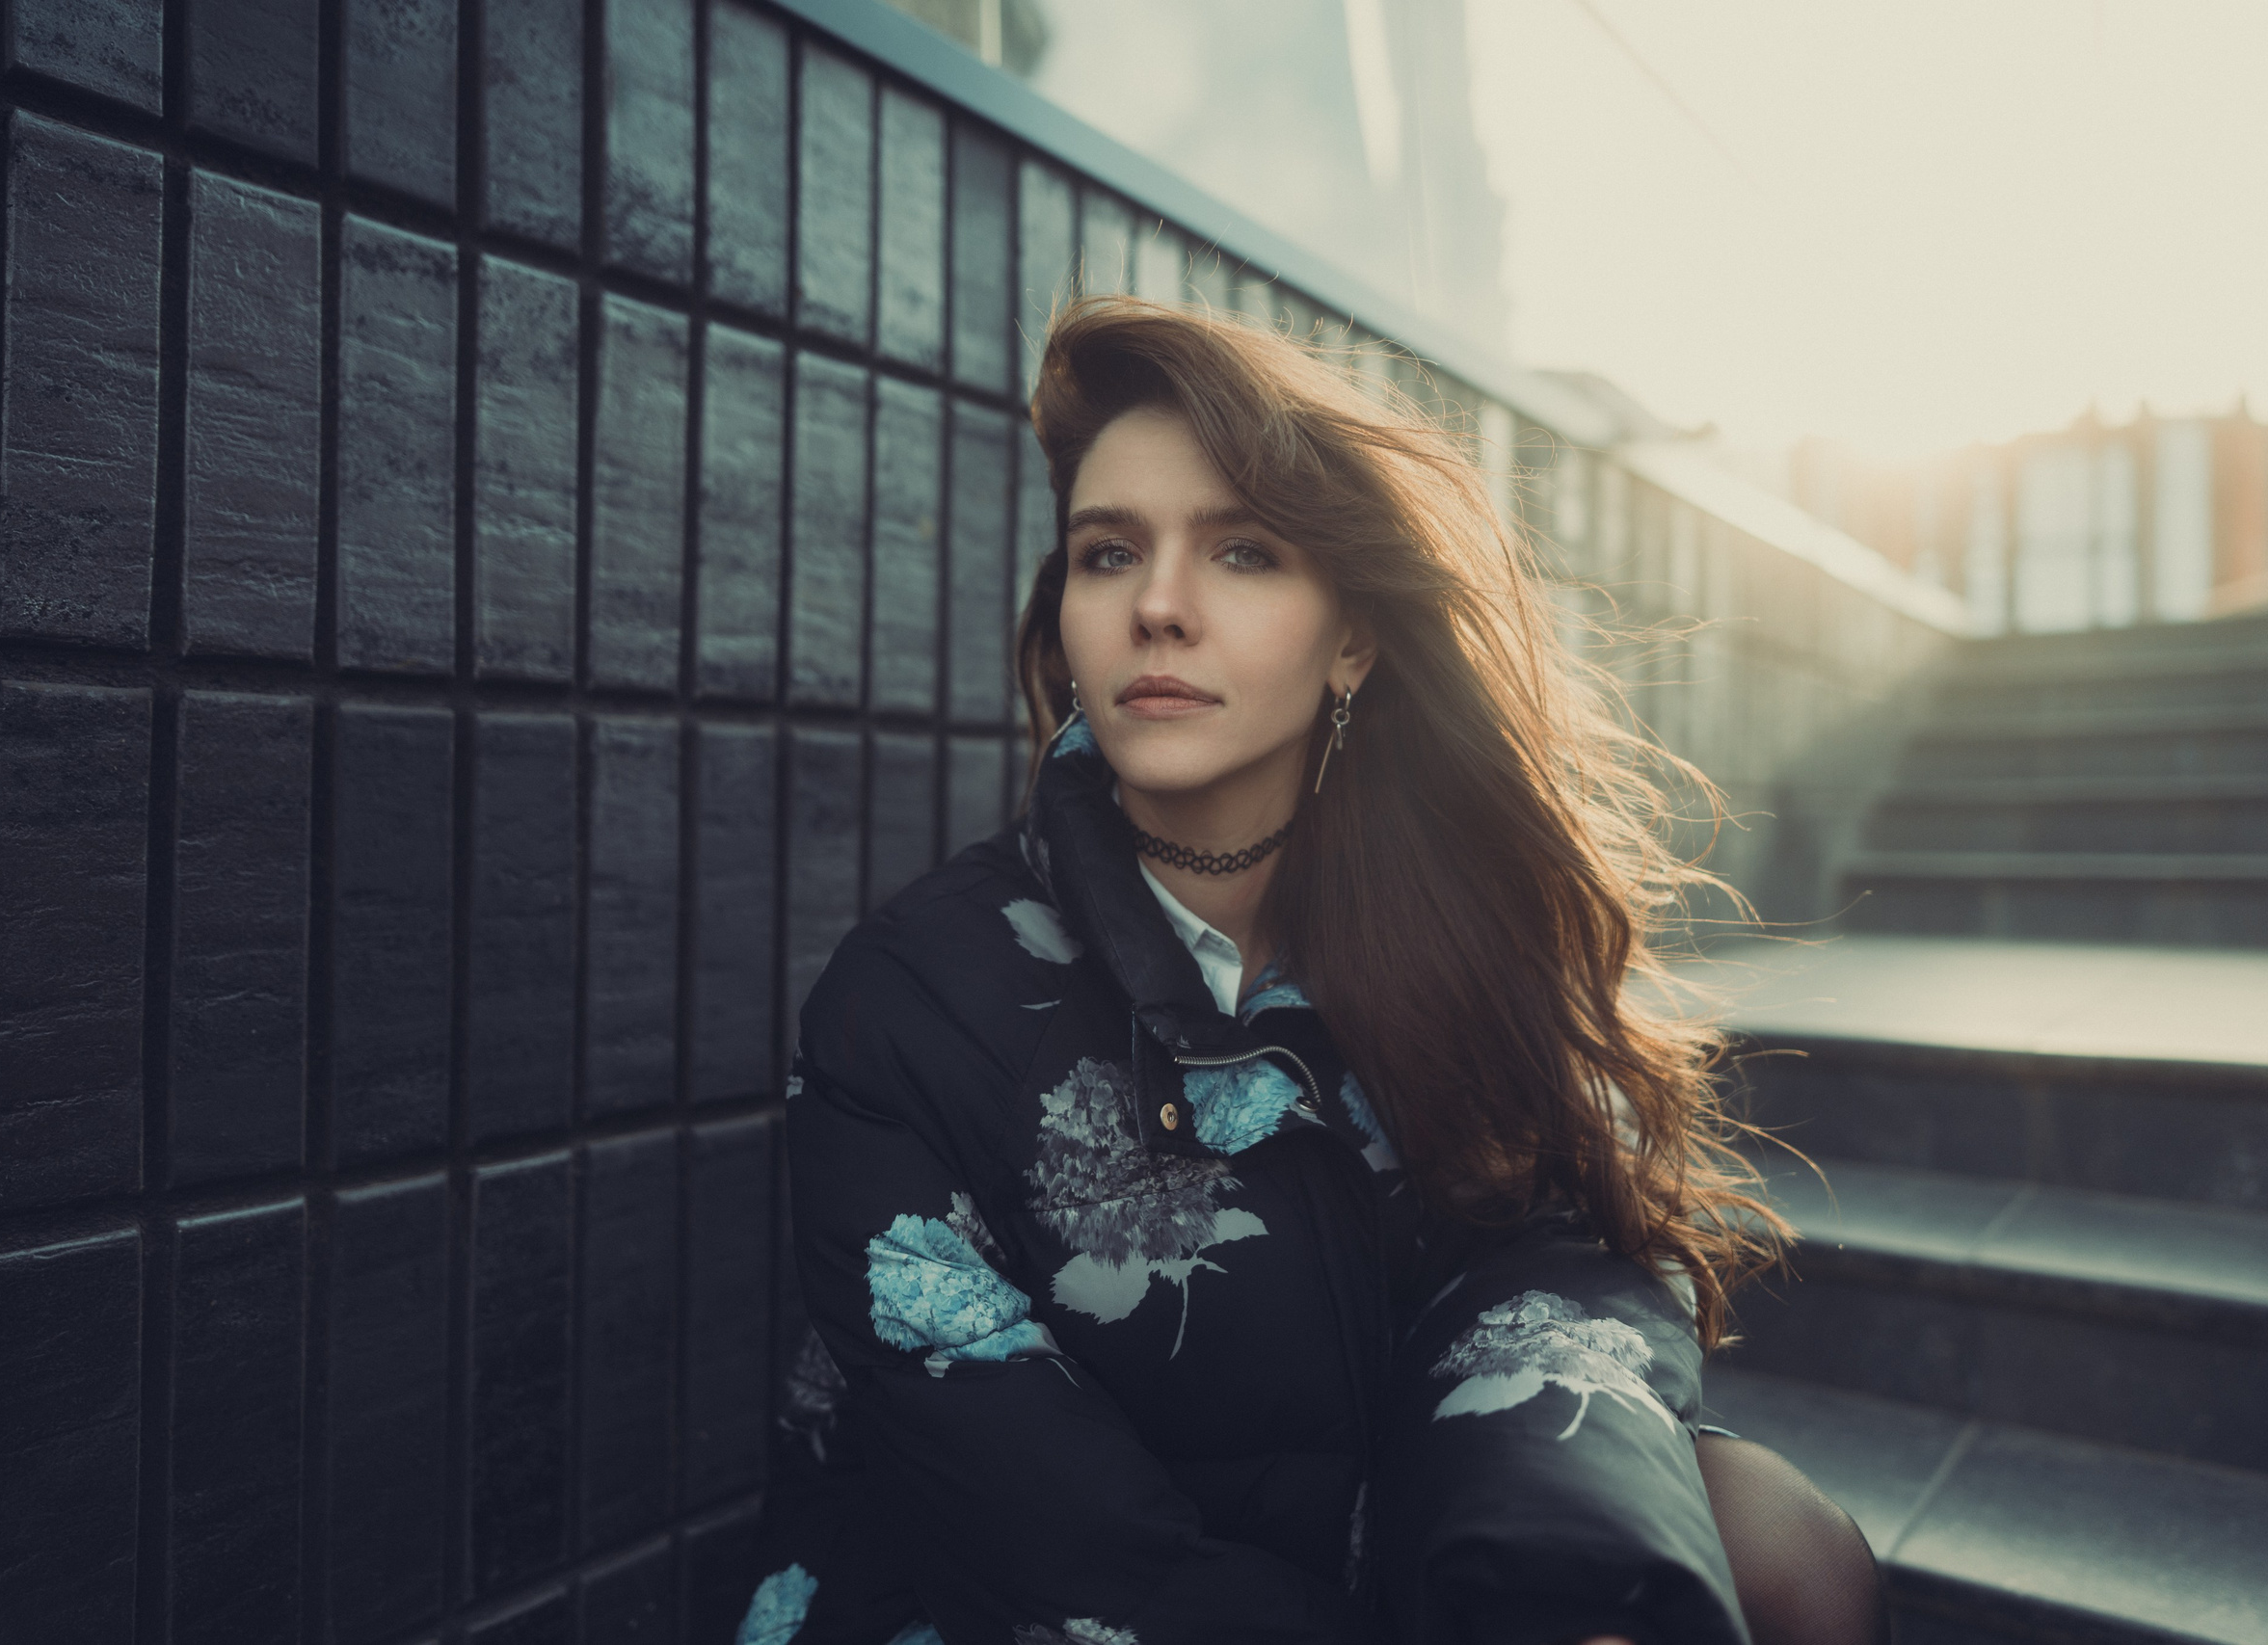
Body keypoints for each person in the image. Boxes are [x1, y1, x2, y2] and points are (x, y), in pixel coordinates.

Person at [745, 296, 1885, 1645]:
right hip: (1032, 1611)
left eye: (1241, 551)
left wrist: (1554, 1562)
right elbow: (1049, 1540)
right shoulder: (906, 1004)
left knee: (1776, 1547)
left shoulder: (1436, 931)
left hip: (1373, 1539)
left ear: (1353, 641)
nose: (1158, 607)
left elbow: (1552, 1267)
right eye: (1109, 554)